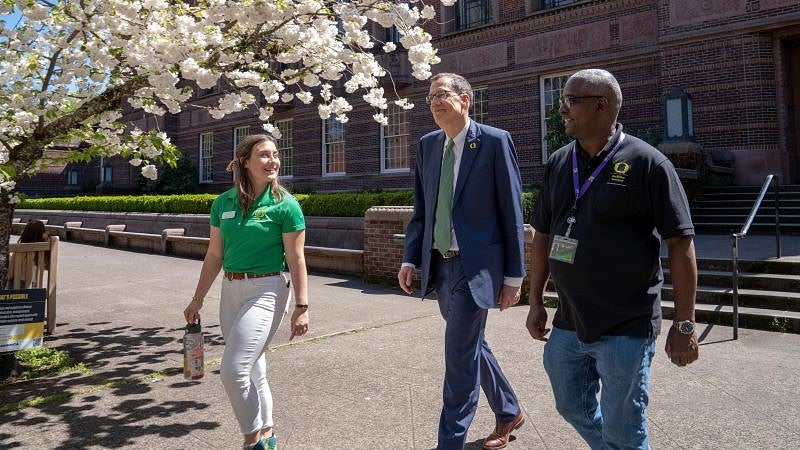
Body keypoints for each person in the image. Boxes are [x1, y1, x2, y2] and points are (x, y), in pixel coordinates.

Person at [527, 69, 699, 449]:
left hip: (627, 324)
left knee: (625, 427)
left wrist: (684, 323)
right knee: (570, 404)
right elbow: (542, 235)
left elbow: (680, 244)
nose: (561, 110)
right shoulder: (559, 161)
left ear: (601, 105)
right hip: (569, 321)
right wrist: (536, 300)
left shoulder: (648, 164)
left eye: (570, 100)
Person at [398, 73, 526, 450]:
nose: (435, 102)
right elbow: (422, 209)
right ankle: (508, 410)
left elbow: (511, 211)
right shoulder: (427, 145)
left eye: (442, 95)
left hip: (477, 268)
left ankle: (449, 443)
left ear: (465, 100)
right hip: (440, 264)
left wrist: (514, 277)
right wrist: (410, 257)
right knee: (472, 346)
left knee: (458, 360)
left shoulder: (494, 141)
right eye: (430, 97)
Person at [184, 134, 309, 450]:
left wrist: (302, 306)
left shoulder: (286, 205)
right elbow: (214, 255)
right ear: (245, 161)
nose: (273, 161)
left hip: (267, 289)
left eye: (276, 154)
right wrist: (197, 299)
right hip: (230, 289)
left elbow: (296, 259)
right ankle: (269, 436)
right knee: (254, 369)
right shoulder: (222, 203)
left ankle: (252, 441)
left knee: (233, 369)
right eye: (264, 155)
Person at [8, 219, 50, 288]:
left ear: (26, 233)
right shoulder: (45, 250)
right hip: (35, 288)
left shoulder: (19, 249)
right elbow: (47, 267)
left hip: (17, 286)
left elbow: (11, 272)